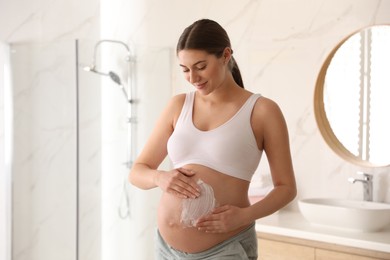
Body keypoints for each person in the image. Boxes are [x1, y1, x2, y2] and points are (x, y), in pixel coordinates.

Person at [129, 18, 297, 260]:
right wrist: (160, 177)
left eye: (200, 66)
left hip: (225, 249)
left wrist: (243, 216)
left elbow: (286, 188)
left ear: (225, 55)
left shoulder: (262, 111)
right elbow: (137, 172)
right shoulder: (179, 105)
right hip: (166, 249)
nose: (192, 78)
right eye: (185, 69)